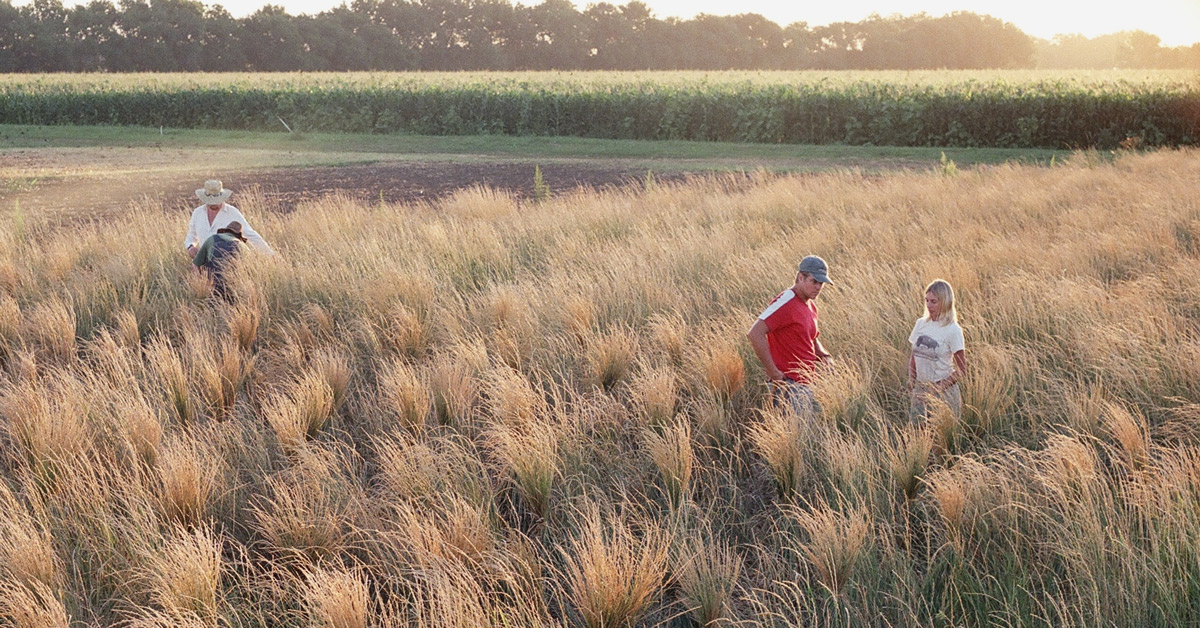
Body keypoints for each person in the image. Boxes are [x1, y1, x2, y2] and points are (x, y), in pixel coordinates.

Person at [747, 255, 834, 417]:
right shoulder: (786, 301)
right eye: (814, 281)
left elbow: (812, 338)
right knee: (796, 439)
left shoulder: (811, 306)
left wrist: (825, 356)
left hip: (807, 385)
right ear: (801, 277)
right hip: (789, 387)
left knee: (809, 437)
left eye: (821, 283)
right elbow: (755, 333)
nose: (818, 287)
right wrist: (774, 373)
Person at [908, 279, 967, 422]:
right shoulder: (921, 324)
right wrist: (911, 381)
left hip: (944, 393)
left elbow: (961, 370)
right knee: (918, 434)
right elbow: (914, 356)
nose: (928, 305)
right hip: (921, 391)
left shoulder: (953, 330)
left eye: (934, 302)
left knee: (941, 440)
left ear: (945, 302)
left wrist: (937, 388)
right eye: (927, 300)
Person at [184, 180, 274, 257]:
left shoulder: (232, 212)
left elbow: (250, 235)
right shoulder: (197, 213)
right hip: (204, 263)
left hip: (228, 263)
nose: (213, 204)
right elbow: (191, 235)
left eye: (216, 201)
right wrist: (190, 247)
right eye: (210, 202)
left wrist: (271, 255)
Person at [192, 221, 248, 301]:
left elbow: (195, 264)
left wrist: (201, 286)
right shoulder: (243, 246)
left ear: (225, 231)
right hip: (234, 290)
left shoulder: (212, 239)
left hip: (212, 287)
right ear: (239, 236)